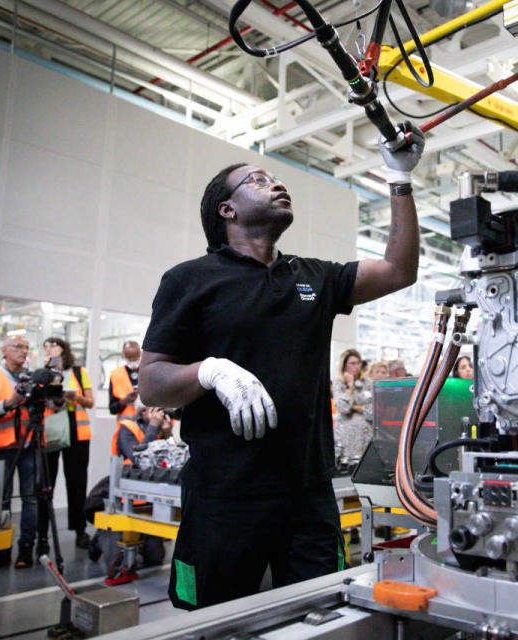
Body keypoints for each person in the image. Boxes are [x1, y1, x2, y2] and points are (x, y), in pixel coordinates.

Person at [138, 123, 424, 610]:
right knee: (214, 620)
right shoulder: (191, 280)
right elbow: (151, 382)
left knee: (324, 614)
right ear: (226, 210)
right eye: (256, 180)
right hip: (224, 497)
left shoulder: (314, 276)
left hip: (308, 497)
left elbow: (399, 270)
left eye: (274, 178)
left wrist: (398, 178)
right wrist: (209, 370)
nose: (275, 183)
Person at [0, 335, 50, 568]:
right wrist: (9, 402)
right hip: (1, 447)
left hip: (29, 445)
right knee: (2, 500)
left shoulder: (31, 377)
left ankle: (26, 549)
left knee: (30, 499)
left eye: (27, 348)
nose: (24, 351)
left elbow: (47, 407)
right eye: (18, 347)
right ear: (4, 351)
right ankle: (1, 548)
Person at [35, 338, 94, 554]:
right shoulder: (42, 373)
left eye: (52, 345)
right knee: (45, 486)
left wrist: (74, 396)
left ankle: (80, 531)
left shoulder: (79, 372)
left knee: (77, 483)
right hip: (51, 433)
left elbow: (90, 402)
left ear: (63, 349)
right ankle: (42, 536)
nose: (48, 349)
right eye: (46, 346)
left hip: (77, 434)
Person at [332, 349, 373, 462]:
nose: (356, 366)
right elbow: (343, 408)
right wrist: (350, 386)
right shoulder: (339, 383)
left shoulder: (368, 383)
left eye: (358, 363)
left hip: (366, 434)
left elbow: (372, 412)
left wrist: (355, 407)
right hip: (346, 435)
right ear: (344, 365)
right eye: (352, 363)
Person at [109, 341, 141, 424]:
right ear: (124, 357)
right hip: (126, 429)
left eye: (135, 358)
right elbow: (112, 409)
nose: (133, 362)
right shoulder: (116, 375)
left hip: (148, 427)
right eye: (130, 359)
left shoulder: (148, 373)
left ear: (140, 355)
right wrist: (125, 401)